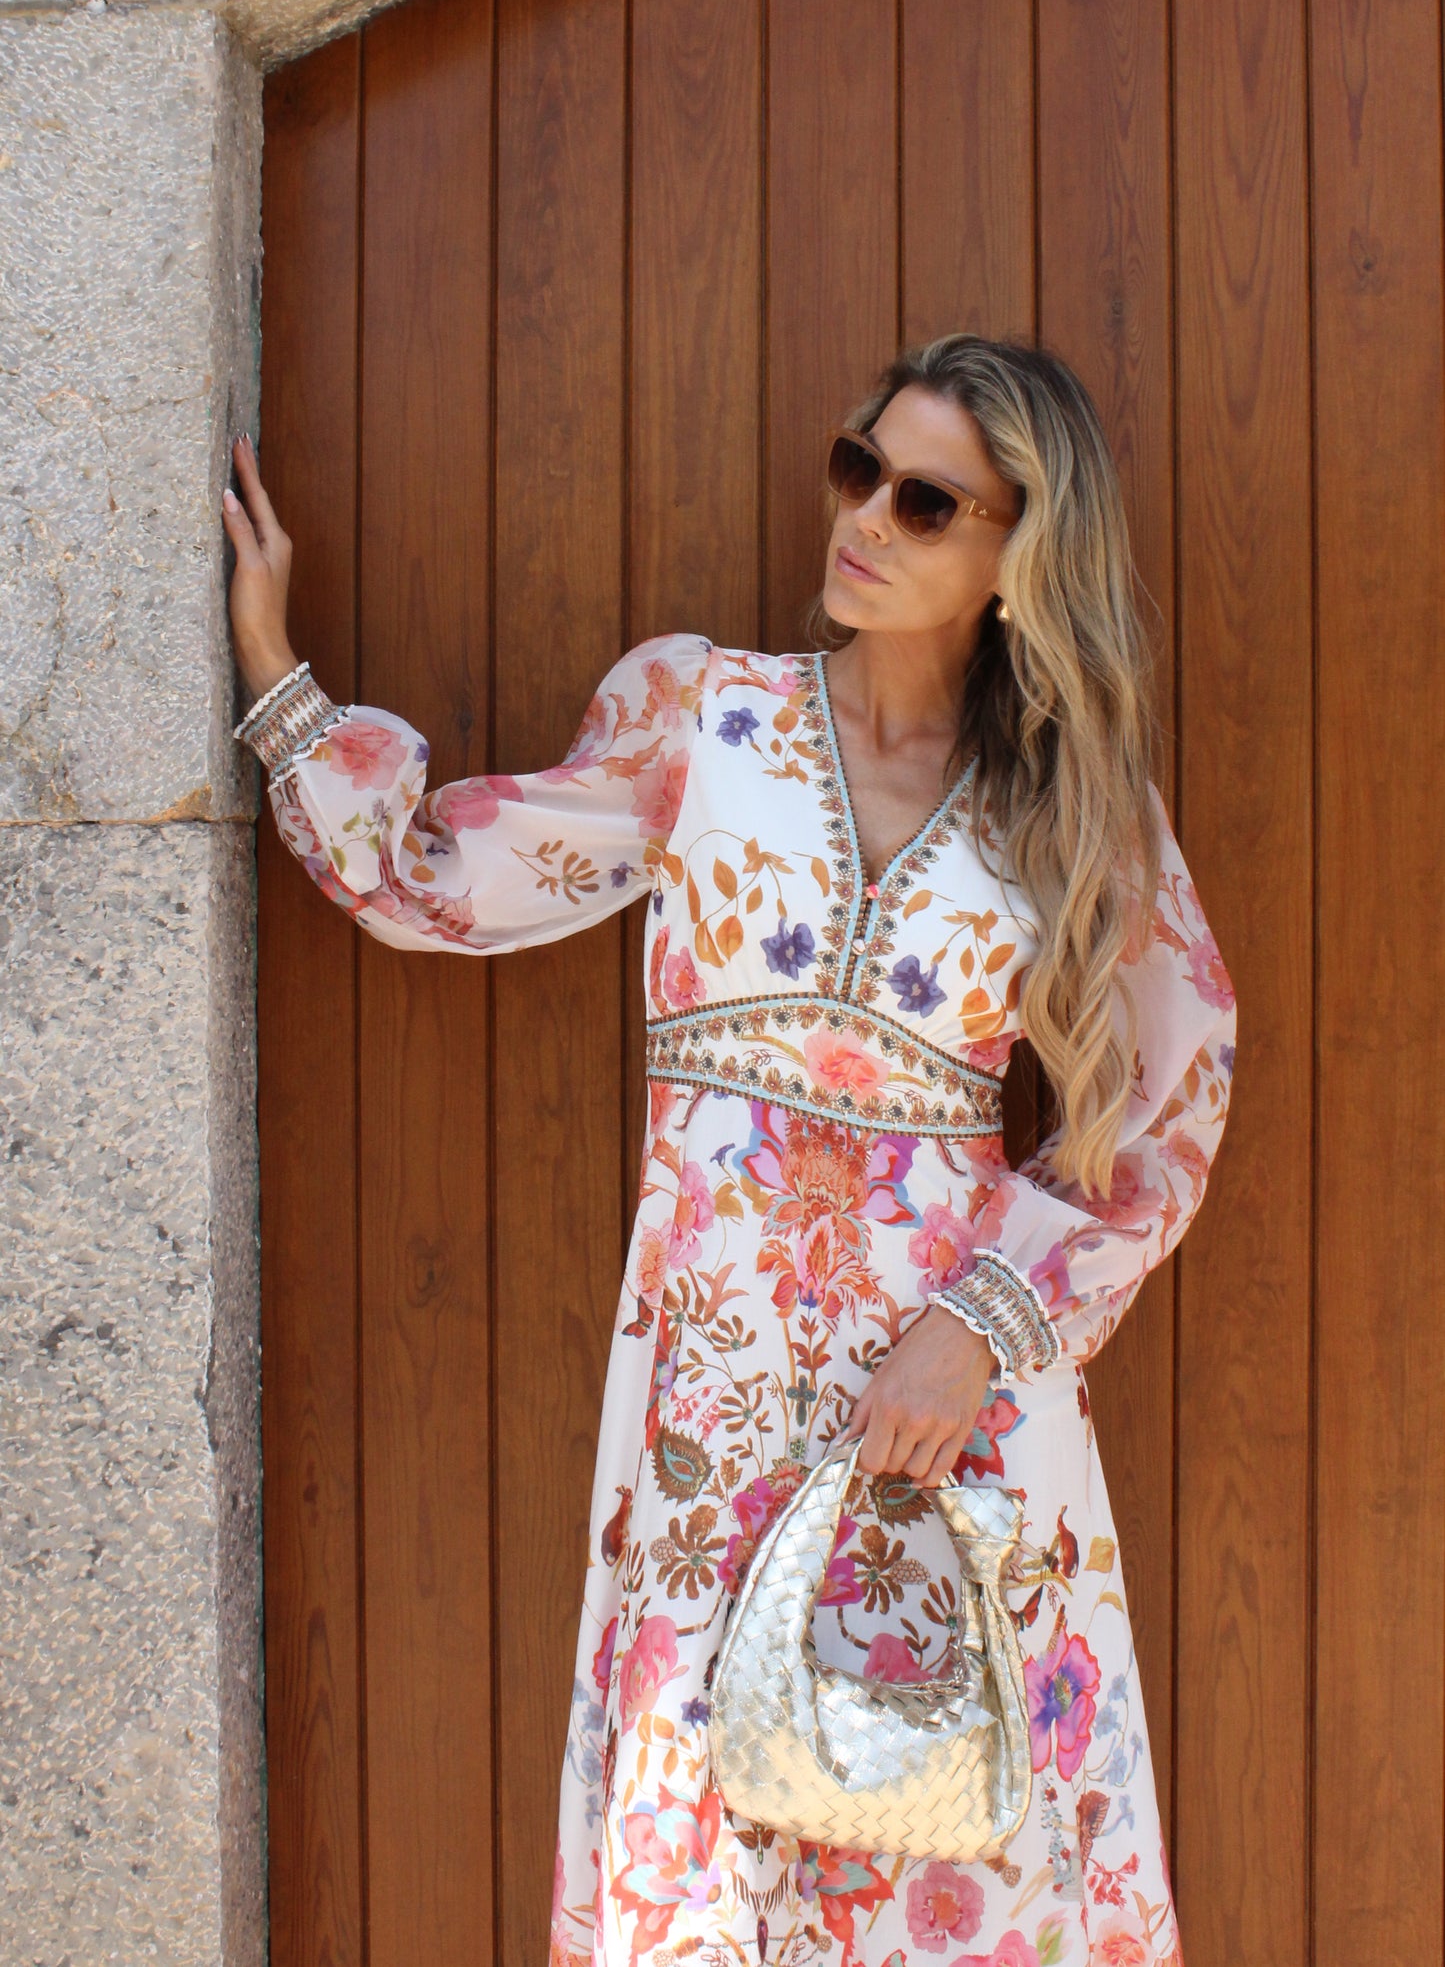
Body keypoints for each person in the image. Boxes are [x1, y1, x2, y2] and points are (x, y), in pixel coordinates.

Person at [224, 332, 1236, 1967]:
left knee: (964, 1841)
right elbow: (446, 879)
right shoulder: (703, 715)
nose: (864, 520)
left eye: (924, 501)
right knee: (705, 1839)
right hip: (716, 1383)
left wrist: (977, 1331)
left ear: (1011, 554)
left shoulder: (1065, 805)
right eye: (860, 466)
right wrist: (279, 682)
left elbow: (1176, 1099)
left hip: (953, 1395)